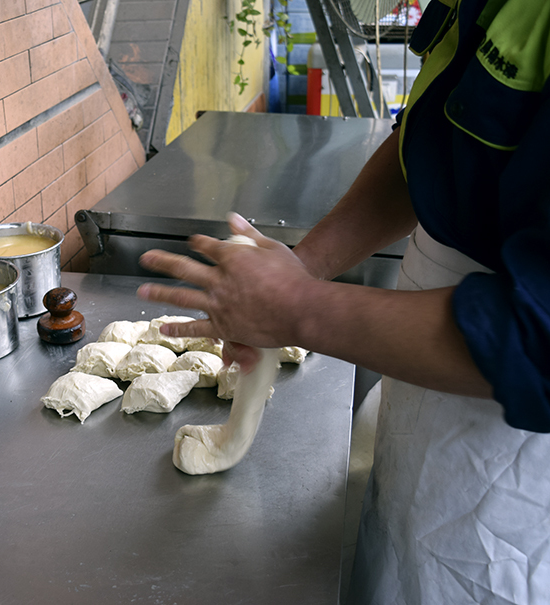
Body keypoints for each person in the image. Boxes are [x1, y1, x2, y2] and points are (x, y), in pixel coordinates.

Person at [136, 0, 550, 602]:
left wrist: (297, 309)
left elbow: (538, 340)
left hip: (514, 477)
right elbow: (436, 143)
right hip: (424, 400)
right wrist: (299, 270)